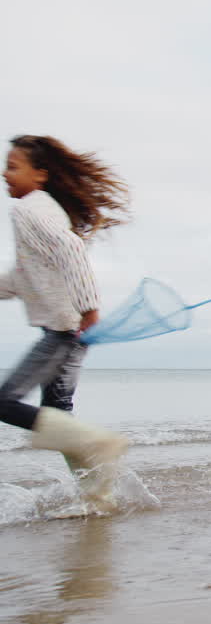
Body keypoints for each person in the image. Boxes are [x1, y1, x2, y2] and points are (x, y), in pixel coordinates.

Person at [0, 135, 130, 511]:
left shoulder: (29, 210)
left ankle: (97, 444)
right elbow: (25, 277)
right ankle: (98, 494)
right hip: (71, 329)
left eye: (12, 166)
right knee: (58, 413)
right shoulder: (42, 208)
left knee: (4, 403)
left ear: (40, 175)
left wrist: (90, 309)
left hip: (64, 330)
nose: (5, 173)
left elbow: (71, 249)